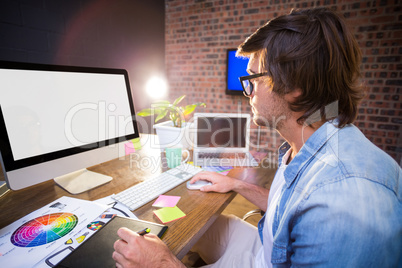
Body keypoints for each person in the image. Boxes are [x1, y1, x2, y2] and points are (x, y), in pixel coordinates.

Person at [112, 7, 401, 267]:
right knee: (183, 225)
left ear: (294, 86)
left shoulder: (341, 204)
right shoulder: (312, 140)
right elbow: (288, 206)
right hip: (265, 248)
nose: (247, 93)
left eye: (252, 80)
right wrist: (235, 184)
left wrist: (162, 264)